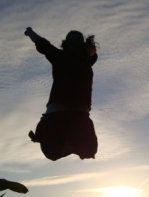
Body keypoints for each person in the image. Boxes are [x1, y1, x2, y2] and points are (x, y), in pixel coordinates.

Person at [24, 27, 98, 160]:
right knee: (89, 150)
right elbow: (43, 45)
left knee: (55, 152)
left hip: (64, 115)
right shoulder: (85, 61)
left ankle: (69, 143)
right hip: (74, 116)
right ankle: (71, 143)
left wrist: (30, 33)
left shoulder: (62, 57)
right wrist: (31, 33)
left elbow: (44, 45)